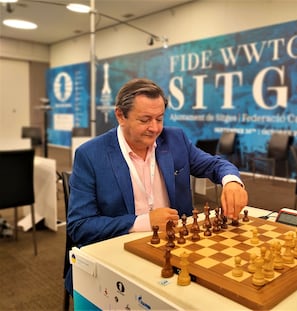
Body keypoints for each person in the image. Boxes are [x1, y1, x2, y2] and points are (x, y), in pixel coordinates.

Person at [65, 78, 248, 294]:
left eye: (159, 119)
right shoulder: (91, 155)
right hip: (120, 254)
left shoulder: (175, 139)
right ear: (120, 115)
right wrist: (142, 222)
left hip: (177, 249)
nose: (155, 128)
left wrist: (232, 182)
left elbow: (215, 164)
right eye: (145, 120)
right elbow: (80, 226)